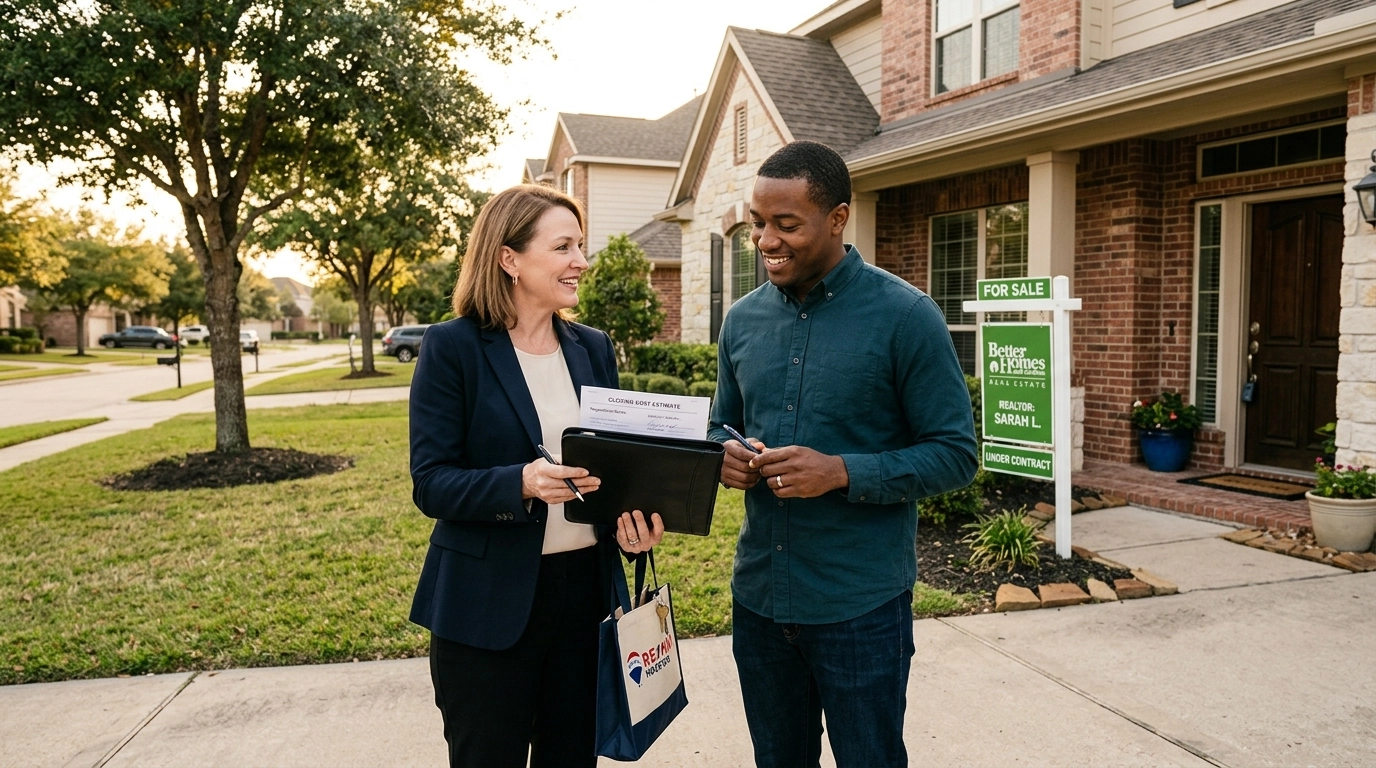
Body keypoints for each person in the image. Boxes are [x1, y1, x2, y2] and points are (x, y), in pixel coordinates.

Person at [709, 141, 978, 767]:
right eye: (757, 222)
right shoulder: (741, 321)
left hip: (861, 607)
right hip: (760, 600)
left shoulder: (907, 317)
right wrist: (722, 453)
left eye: (786, 224)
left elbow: (956, 454)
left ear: (837, 218)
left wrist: (841, 473)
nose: (765, 240)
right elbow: (722, 423)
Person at [408, 184, 665, 768]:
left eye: (581, 246)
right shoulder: (453, 348)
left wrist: (630, 526)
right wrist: (520, 483)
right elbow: (431, 481)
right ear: (509, 259)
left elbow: (613, 467)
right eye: (564, 247)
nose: (581, 261)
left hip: (584, 599)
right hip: (486, 606)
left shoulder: (594, 348)